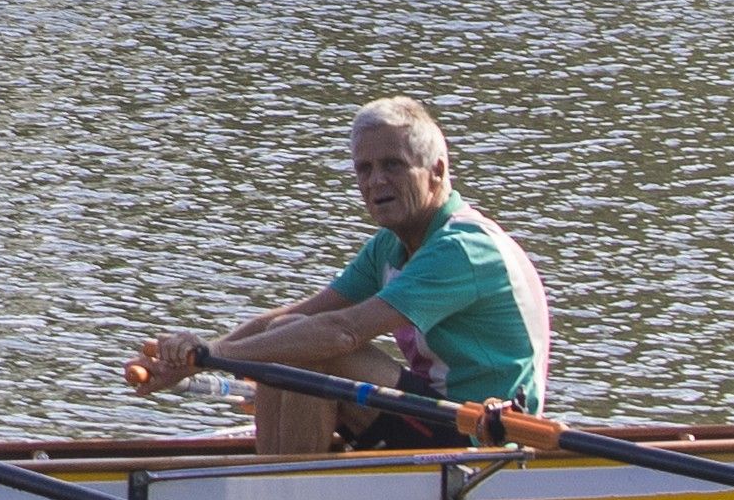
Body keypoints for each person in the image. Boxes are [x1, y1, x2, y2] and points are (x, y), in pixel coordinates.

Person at [128, 95, 552, 456]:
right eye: (364, 169)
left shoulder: (462, 248)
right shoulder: (392, 244)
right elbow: (300, 315)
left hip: (486, 436)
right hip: (437, 415)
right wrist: (199, 357)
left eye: (393, 165)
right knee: (290, 335)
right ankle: (276, 483)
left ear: (437, 172)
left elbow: (342, 335)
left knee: (312, 347)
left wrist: (213, 356)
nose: (375, 181)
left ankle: (287, 499)